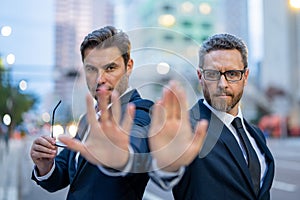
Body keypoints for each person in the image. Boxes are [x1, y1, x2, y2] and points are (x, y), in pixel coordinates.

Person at [30, 26, 153, 200]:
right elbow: (62, 174)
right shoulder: (88, 119)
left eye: (110, 68)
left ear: (128, 66)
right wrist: (45, 165)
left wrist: (121, 155)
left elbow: (135, 148)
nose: (100, 79)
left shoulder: (143, 111)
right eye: (91, 69)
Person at [148, 33, 275, 200]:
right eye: (213, 74)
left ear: (245, 77)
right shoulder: (186, 128)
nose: (222, 84)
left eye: (232, 74)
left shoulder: (256, 135)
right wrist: (167, 166)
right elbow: (165, 173)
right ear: (200, 77)